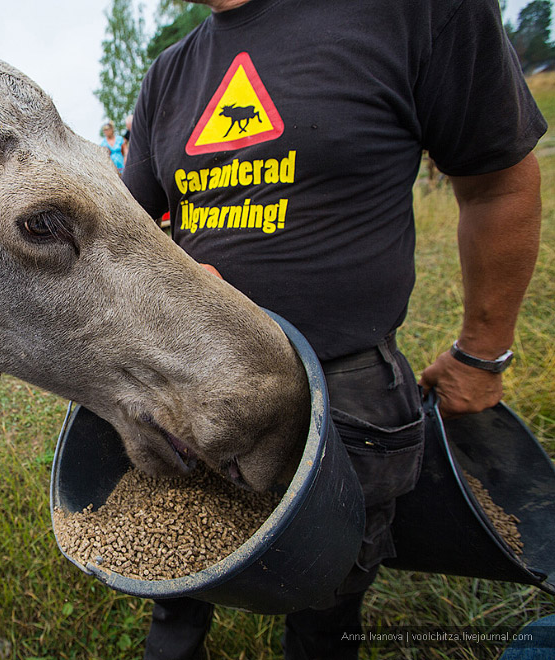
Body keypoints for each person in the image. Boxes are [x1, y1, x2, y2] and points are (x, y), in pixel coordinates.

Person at [120, 0, 545, 658]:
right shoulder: (168, 74)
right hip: (191, 378)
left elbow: (496, 182)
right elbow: (133, 232)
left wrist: (482, 354)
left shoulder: (415, 12)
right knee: (174, 583)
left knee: (330, 590)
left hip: (344, 392)